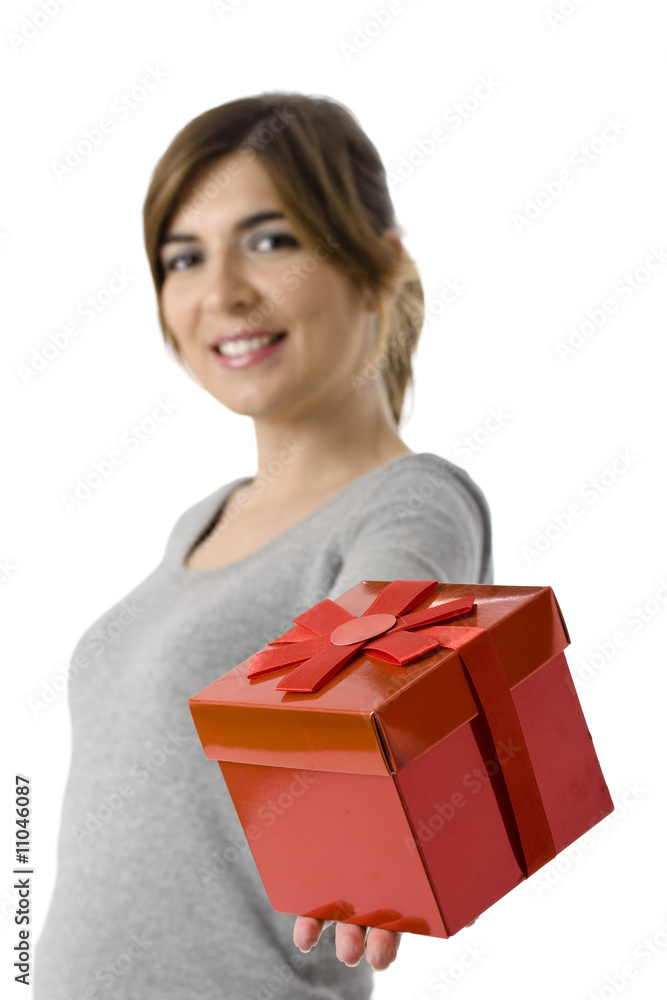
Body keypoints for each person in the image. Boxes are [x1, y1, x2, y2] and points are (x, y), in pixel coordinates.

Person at [34, 91, 493, 999]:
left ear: (378, 267)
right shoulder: (201, 520)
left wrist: (377, 776)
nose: (220, 291)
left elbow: (385, 647)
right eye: (183, 257)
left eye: (271, 240)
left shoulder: (409, 503)